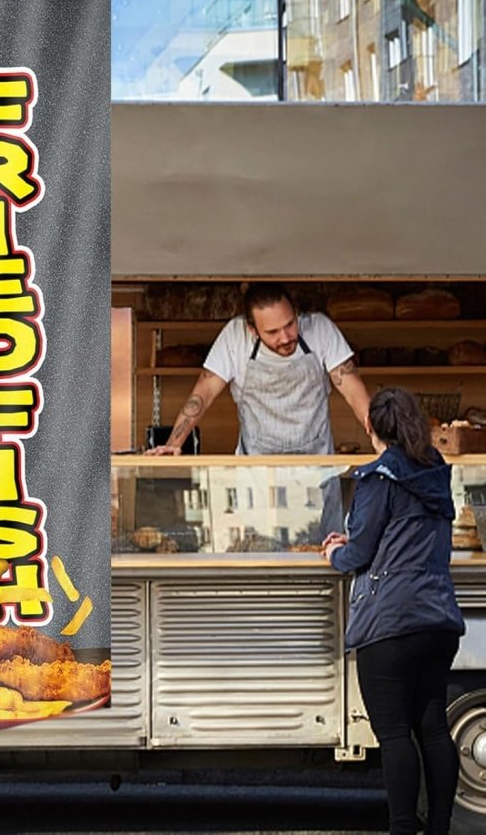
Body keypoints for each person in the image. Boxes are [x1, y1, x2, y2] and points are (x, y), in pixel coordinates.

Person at [322, 387, 465, 835]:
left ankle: (403, 828)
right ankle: (438, 827)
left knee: (395, 734)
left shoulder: (378, 479)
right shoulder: (436, 472)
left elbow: (359, 553)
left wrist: (333, 554)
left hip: (390, 623)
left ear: (370, 427)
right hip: (438, 618)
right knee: (435, 729)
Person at [146, 282, 370, 455]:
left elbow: (353, 391)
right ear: (252, 330)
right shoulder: (235, 337)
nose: (285, 338)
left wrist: (380, 438)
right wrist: (173, 444)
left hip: (316, 471)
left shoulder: (320, 329)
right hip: (257, 474)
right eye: (272, 332)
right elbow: (204, 394)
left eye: (290, 325)